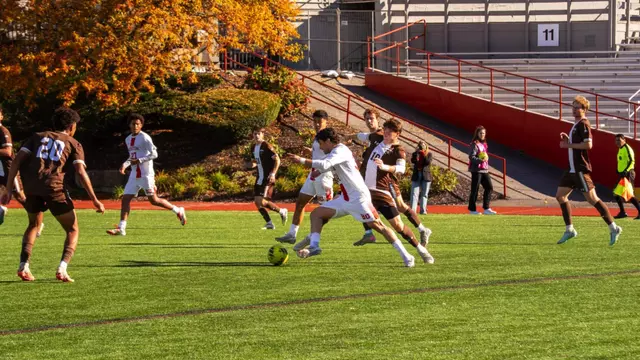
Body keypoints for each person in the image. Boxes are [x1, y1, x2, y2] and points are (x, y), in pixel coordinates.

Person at [1, 107, 105, 282]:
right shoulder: (73, 143)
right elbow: (80, 171)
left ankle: (23, 266)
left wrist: (10, 188)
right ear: (72, 126)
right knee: (72, 229)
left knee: (33, 224)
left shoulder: (37, 137)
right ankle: (62, 268)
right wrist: (94, 199)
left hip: (32, 188)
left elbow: (17, 160)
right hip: (54, 188)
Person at [287, 128, 416, 267]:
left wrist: (300, 160)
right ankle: (314, 246)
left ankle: (407, 256)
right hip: (345, 198)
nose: (320, 147)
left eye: (321, 144)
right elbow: (330, 165)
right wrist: (317, 172)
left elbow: (326, 163)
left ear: (328, 141)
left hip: (359, 198)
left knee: (379, 226)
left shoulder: (340, 150)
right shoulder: (336, 151)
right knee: (316, 214)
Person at [352, 108, 432, 246]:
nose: (369, 121)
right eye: (367, 119)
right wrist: (347, 138)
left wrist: (384, 167)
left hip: (387, 181)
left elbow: (401, 167)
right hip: (372, 180)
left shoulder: (387, 139)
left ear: (378, 120)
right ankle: (369, 233)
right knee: (364, 202)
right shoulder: (375, 137)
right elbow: (361, 136)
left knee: (400, 206)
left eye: (372, 118)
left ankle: (422, 229)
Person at [556, 95, 622, 246]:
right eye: (572, 106)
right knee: (560, 196)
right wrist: (569, 140)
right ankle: (570, 229)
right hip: (571, 170)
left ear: (584, 109)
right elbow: (578, 144)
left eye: (577, 107)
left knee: (592, 199)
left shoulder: (584, 124)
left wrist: (568, 145)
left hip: (579, 169)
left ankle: (613, 227)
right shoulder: (576, 124)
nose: (574, 109)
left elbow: (588, 145)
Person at [107, 114, 186, 236]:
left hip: (146, 174)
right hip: (134, 174)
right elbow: (132, 156)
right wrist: (125, 164)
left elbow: (154, 154)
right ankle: (121, 228)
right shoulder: (128, 139)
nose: (135, 126)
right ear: (129, 125)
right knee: (125, 199)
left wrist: (140, 161)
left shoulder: (145, 138)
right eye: (133, 124)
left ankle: (178, 210)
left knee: (154, 200)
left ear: (141, 125)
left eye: (138, 124)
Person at [276, 110, 333, 243]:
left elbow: (331, 155)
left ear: (326, 121)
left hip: (323, 176)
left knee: (326, 210)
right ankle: (292, 234)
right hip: (312, 175)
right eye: (315, 121)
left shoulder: (328, 136)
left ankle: (313, 237)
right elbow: (320, 152)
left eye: (320, 122)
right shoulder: (318, 135)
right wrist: (311, 151)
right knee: (300, 202)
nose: (317, 124)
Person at [0, 106, 45, 235]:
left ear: (1, 116)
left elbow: (8, 152)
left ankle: (38, 222)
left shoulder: (3, 131)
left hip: (8, 169)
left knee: (20, 196)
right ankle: (1, 208)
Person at [246, 127, 287, 230]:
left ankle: (282, 211)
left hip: (267, 177)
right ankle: (269, 223)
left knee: (262, 201)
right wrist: (251, 165)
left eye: (259, 133)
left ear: (263, 134)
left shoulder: (267, 146)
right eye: (255, 133)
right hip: (259, 177)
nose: (256, 136)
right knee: (257, 202)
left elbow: (277, 159)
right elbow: (256, 161)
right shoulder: (253, 147)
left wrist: (273, 174)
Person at [468, 126, 497, 215]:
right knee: (475, 190)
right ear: (477, 134)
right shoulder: (474, 144)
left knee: (489, 187)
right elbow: (471, 157)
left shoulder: (484, 144)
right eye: (480, 133)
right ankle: (472, 210)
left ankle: (486, 208)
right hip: (476, 170)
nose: (482, 135)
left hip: (484, 170)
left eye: (483, 133)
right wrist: (481, 160)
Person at [613, 134, 640, 219]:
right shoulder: (620, 149)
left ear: (624, 140)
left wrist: (626, 171)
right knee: (616, 193)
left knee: (629, 195)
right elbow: (622, 161)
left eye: (619, 140)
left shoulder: (627, 148)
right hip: (622, 174)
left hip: (628, 174)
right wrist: (618, 169)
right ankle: (622, 212)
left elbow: (632, 161)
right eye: (616, 140)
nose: (617, 142)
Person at [410, 141, 432, 215]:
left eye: (423, 145)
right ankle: (413, 211)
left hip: (425, 176)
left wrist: (423, 154)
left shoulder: (429, 154)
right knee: (414, 193)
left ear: (426, 146)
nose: (422, 146)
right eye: (420, 145)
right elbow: (413, 160)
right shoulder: (415, 153)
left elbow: (427, 162)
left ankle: (423, 211)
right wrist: (417, 153)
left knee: (424, 194)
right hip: (417, 175)